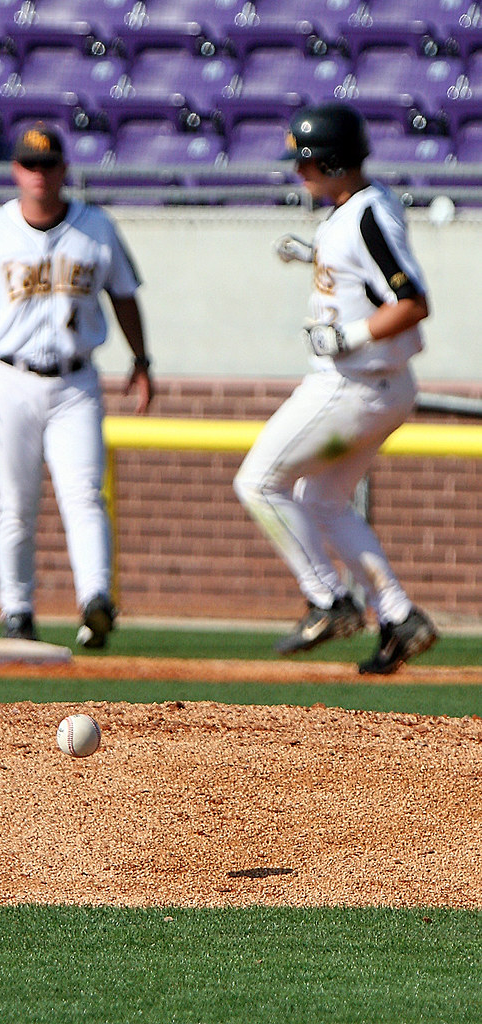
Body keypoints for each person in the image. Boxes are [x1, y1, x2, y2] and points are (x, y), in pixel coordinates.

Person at [234, 101, 438, 675]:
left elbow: (412, 303)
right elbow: (359, 271)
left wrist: (348, 336)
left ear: (330, 161)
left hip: (355, 386)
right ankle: (397, 615)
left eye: (305, 164)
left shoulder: (367, 215)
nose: (298, 174)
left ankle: (328, 599)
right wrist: (313, 253)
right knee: (320, 499)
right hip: (379, 386)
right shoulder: (353, 212)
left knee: (257, 481)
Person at [0, 123, 153, 648]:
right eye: (29, 165)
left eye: (48, 164)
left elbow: (124, 294)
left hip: (76, 379)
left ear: (64, 169)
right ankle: (16, 609)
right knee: (15, 503)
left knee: (84, 494)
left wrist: (142, 360)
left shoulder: (96, 226)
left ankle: (96, 601)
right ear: (15, 170)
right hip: (9, 376)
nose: (39, 175)